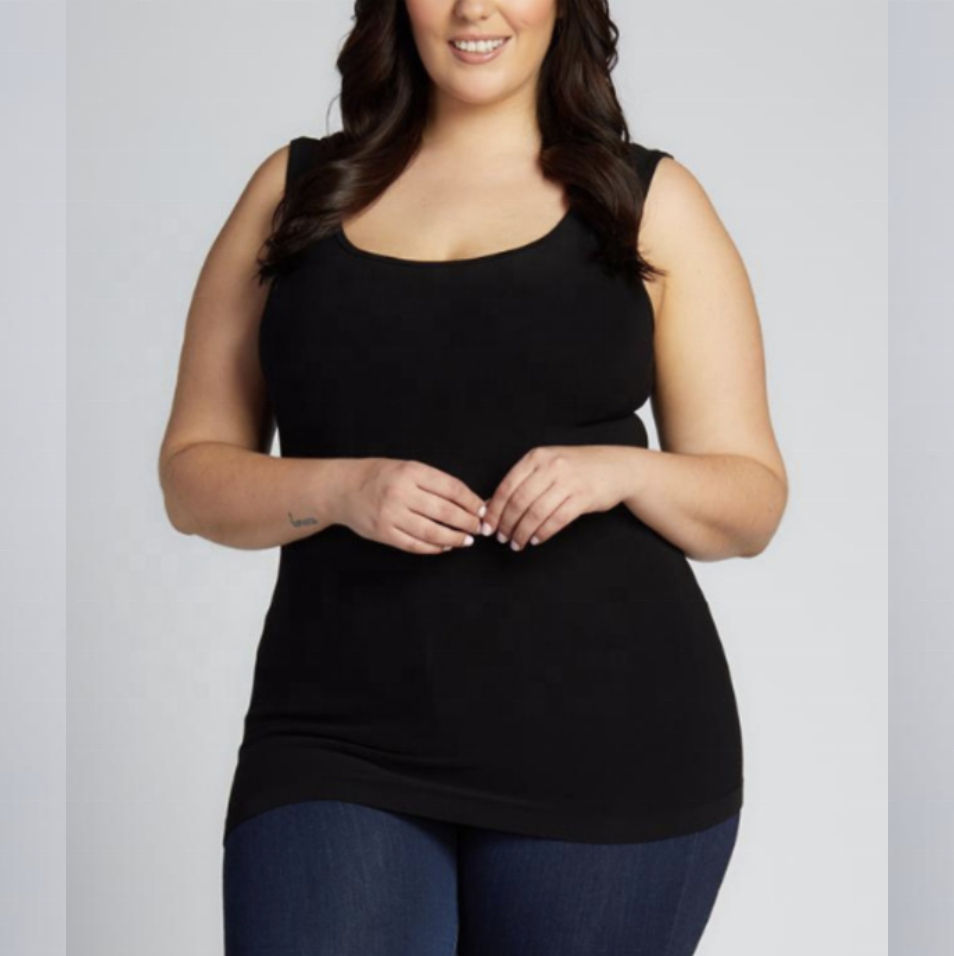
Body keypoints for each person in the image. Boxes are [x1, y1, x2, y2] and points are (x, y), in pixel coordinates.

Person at [158, 1, 787, 953]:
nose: (472, 8)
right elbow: (192, 476)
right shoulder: (296, 191)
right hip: (336, 730)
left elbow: (751, 502)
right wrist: (340, 490)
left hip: (611, 738)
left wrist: (619, 472)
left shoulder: (647, 199)